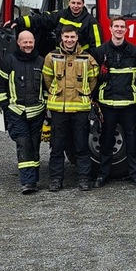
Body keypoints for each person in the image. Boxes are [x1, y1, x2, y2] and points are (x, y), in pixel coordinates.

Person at [91, 16, 136, 188]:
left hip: (129, 104)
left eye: (122, 27)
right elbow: (93, 79)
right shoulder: (99, 52)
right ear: (110, 28)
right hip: (107, 104)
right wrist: (93, 102)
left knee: (133, 141)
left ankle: (135, 174)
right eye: (116, 26)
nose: (119, 29)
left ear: (126, 30)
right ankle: (103, 174)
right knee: (106, 140)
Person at [41, 26, 99, 192]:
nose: (69, 40)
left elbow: (93, 78)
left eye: (72, 37)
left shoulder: (87, 58)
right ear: (61, 37)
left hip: (80, 109)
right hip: (59, 109)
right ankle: (56, 180)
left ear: (77, 38)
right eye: (66, 37)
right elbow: (48, 78)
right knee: (57, 146)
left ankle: (84, 179)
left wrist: (84, 93)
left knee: (81, 146)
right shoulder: (51, 57)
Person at [0, 31, 46, 194]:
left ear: (34, 42)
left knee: (34, 146)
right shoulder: (9, 61)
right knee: (23, 144)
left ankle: (33, 179)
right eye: (25, 42)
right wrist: (6, 105)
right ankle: (27, 182)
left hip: (37, 112)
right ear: (18, 43)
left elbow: (48, 86)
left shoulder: (41, 61)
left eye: (30, 42)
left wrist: (46, 105)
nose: (28, 45)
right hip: (17, 112)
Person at [7, 0, 102, 55]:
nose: (75, 6)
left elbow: (97, 47)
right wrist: (18, 21)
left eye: (78, 3)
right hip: (59, 56)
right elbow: (41, 19)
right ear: (69, 3)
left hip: (79, 58)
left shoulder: (91, 21)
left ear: (83, 4)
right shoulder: (60, 14)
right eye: (73, 3)